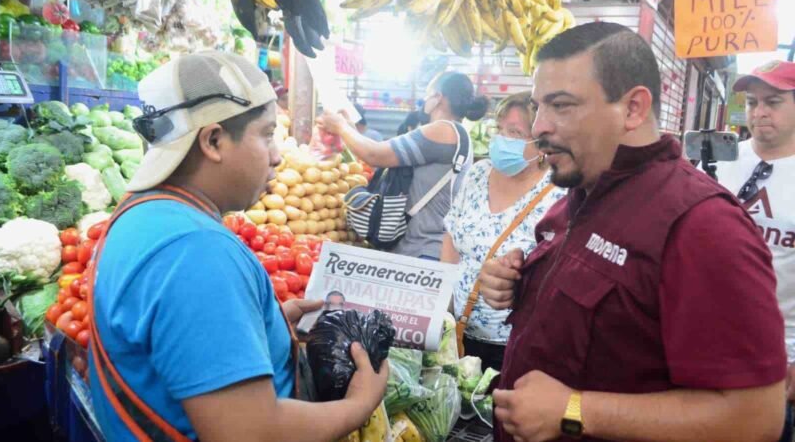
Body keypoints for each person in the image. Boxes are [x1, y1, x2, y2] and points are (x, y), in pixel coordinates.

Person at [477, 23, 786, 442]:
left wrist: (574, 410)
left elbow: (755, 418)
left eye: (561, 106)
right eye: (537, 107)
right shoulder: (581, 193)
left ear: (634, 108)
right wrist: (516, 283)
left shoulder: (703, 227)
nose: (538, 128)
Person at [88, 52, 388, 442]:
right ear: (213, 140)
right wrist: (357, 406)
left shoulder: (140, 215)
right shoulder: (196, 251)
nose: (277, 155)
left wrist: (263, 324)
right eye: (266, 134)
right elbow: (251, 434)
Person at [440, 91, 565, 370]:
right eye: (499, 129)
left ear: (542, 141)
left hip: (516, 345)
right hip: (457, 334)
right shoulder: (478, 173)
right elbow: (451, 237)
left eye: (514, 132)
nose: (501, 140)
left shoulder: (560, 192)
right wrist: (444, 308)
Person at [319, 72, 490, 260]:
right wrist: (350, 127)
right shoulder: (457, 132)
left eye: (428, 93)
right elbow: (382, 150)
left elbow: (375, 154)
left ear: (438, 97)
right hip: (429, 248)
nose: (424, 100)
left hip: (423, 251)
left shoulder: (443, 130)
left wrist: (341, 127)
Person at [714, 60, 795, 405]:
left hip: (778, 351)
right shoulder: (718, 160)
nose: (759, 112)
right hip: (707, 334)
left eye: (773, 102)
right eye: (751, 102)